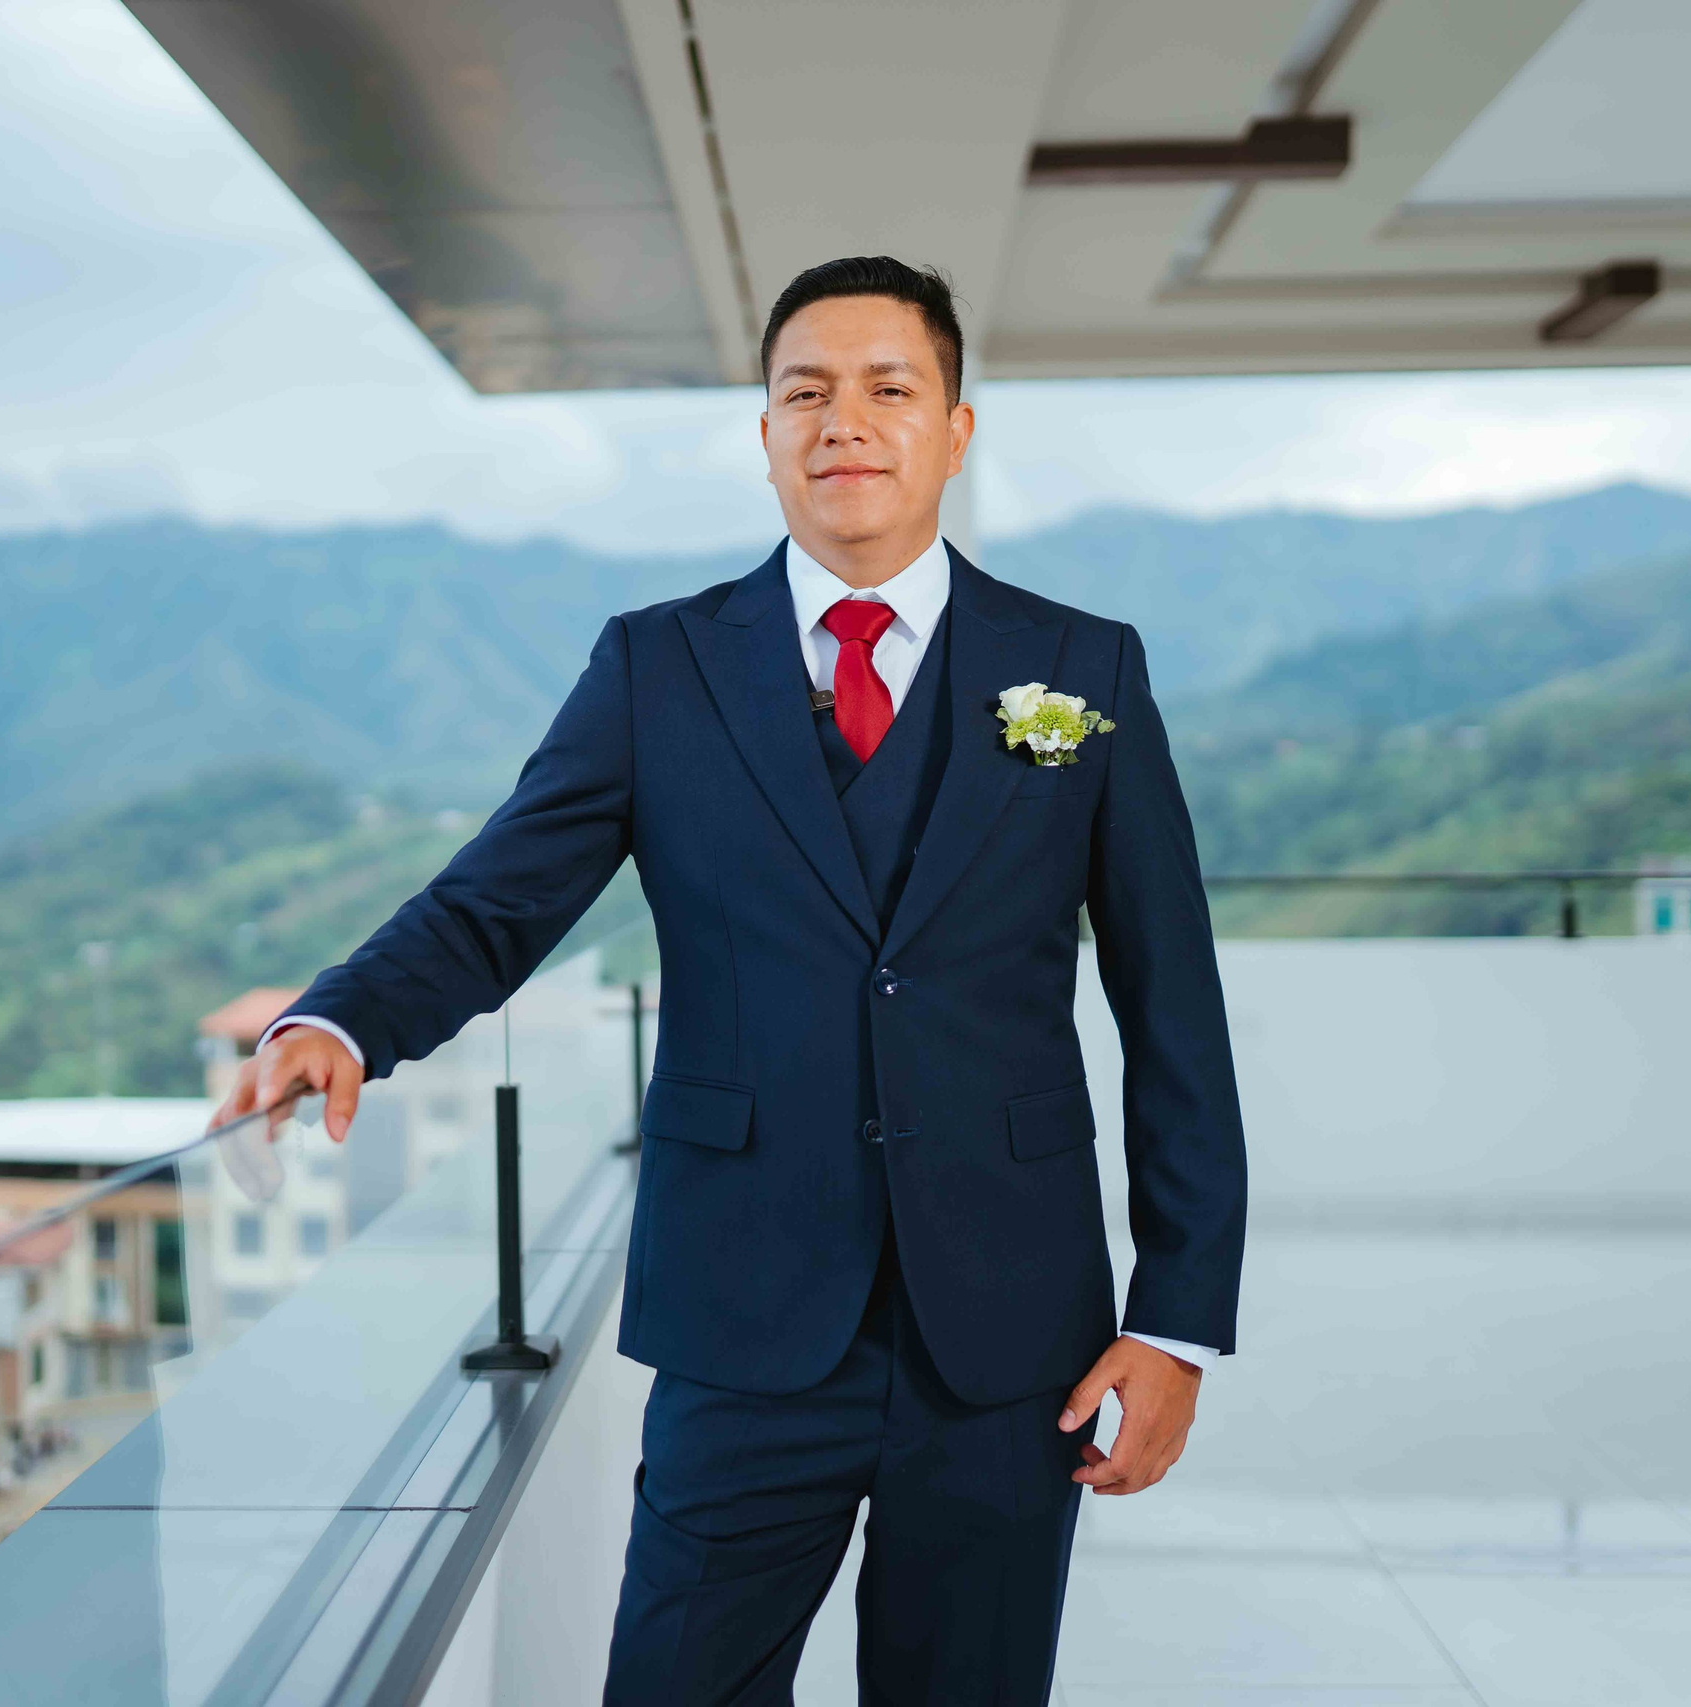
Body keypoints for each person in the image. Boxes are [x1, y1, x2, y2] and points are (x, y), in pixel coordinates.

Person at [210, 255, 1246, 1704]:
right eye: (804, 392)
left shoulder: (1083, 669)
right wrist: (344, 1019)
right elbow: (501, 899)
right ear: (764, 435)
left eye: (891, 388)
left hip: (1013, 1330)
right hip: (746, 1320)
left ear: (954, 429)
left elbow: (1172, 1008)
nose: (846, 421)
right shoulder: (659, 669)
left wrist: (1178, 1318)